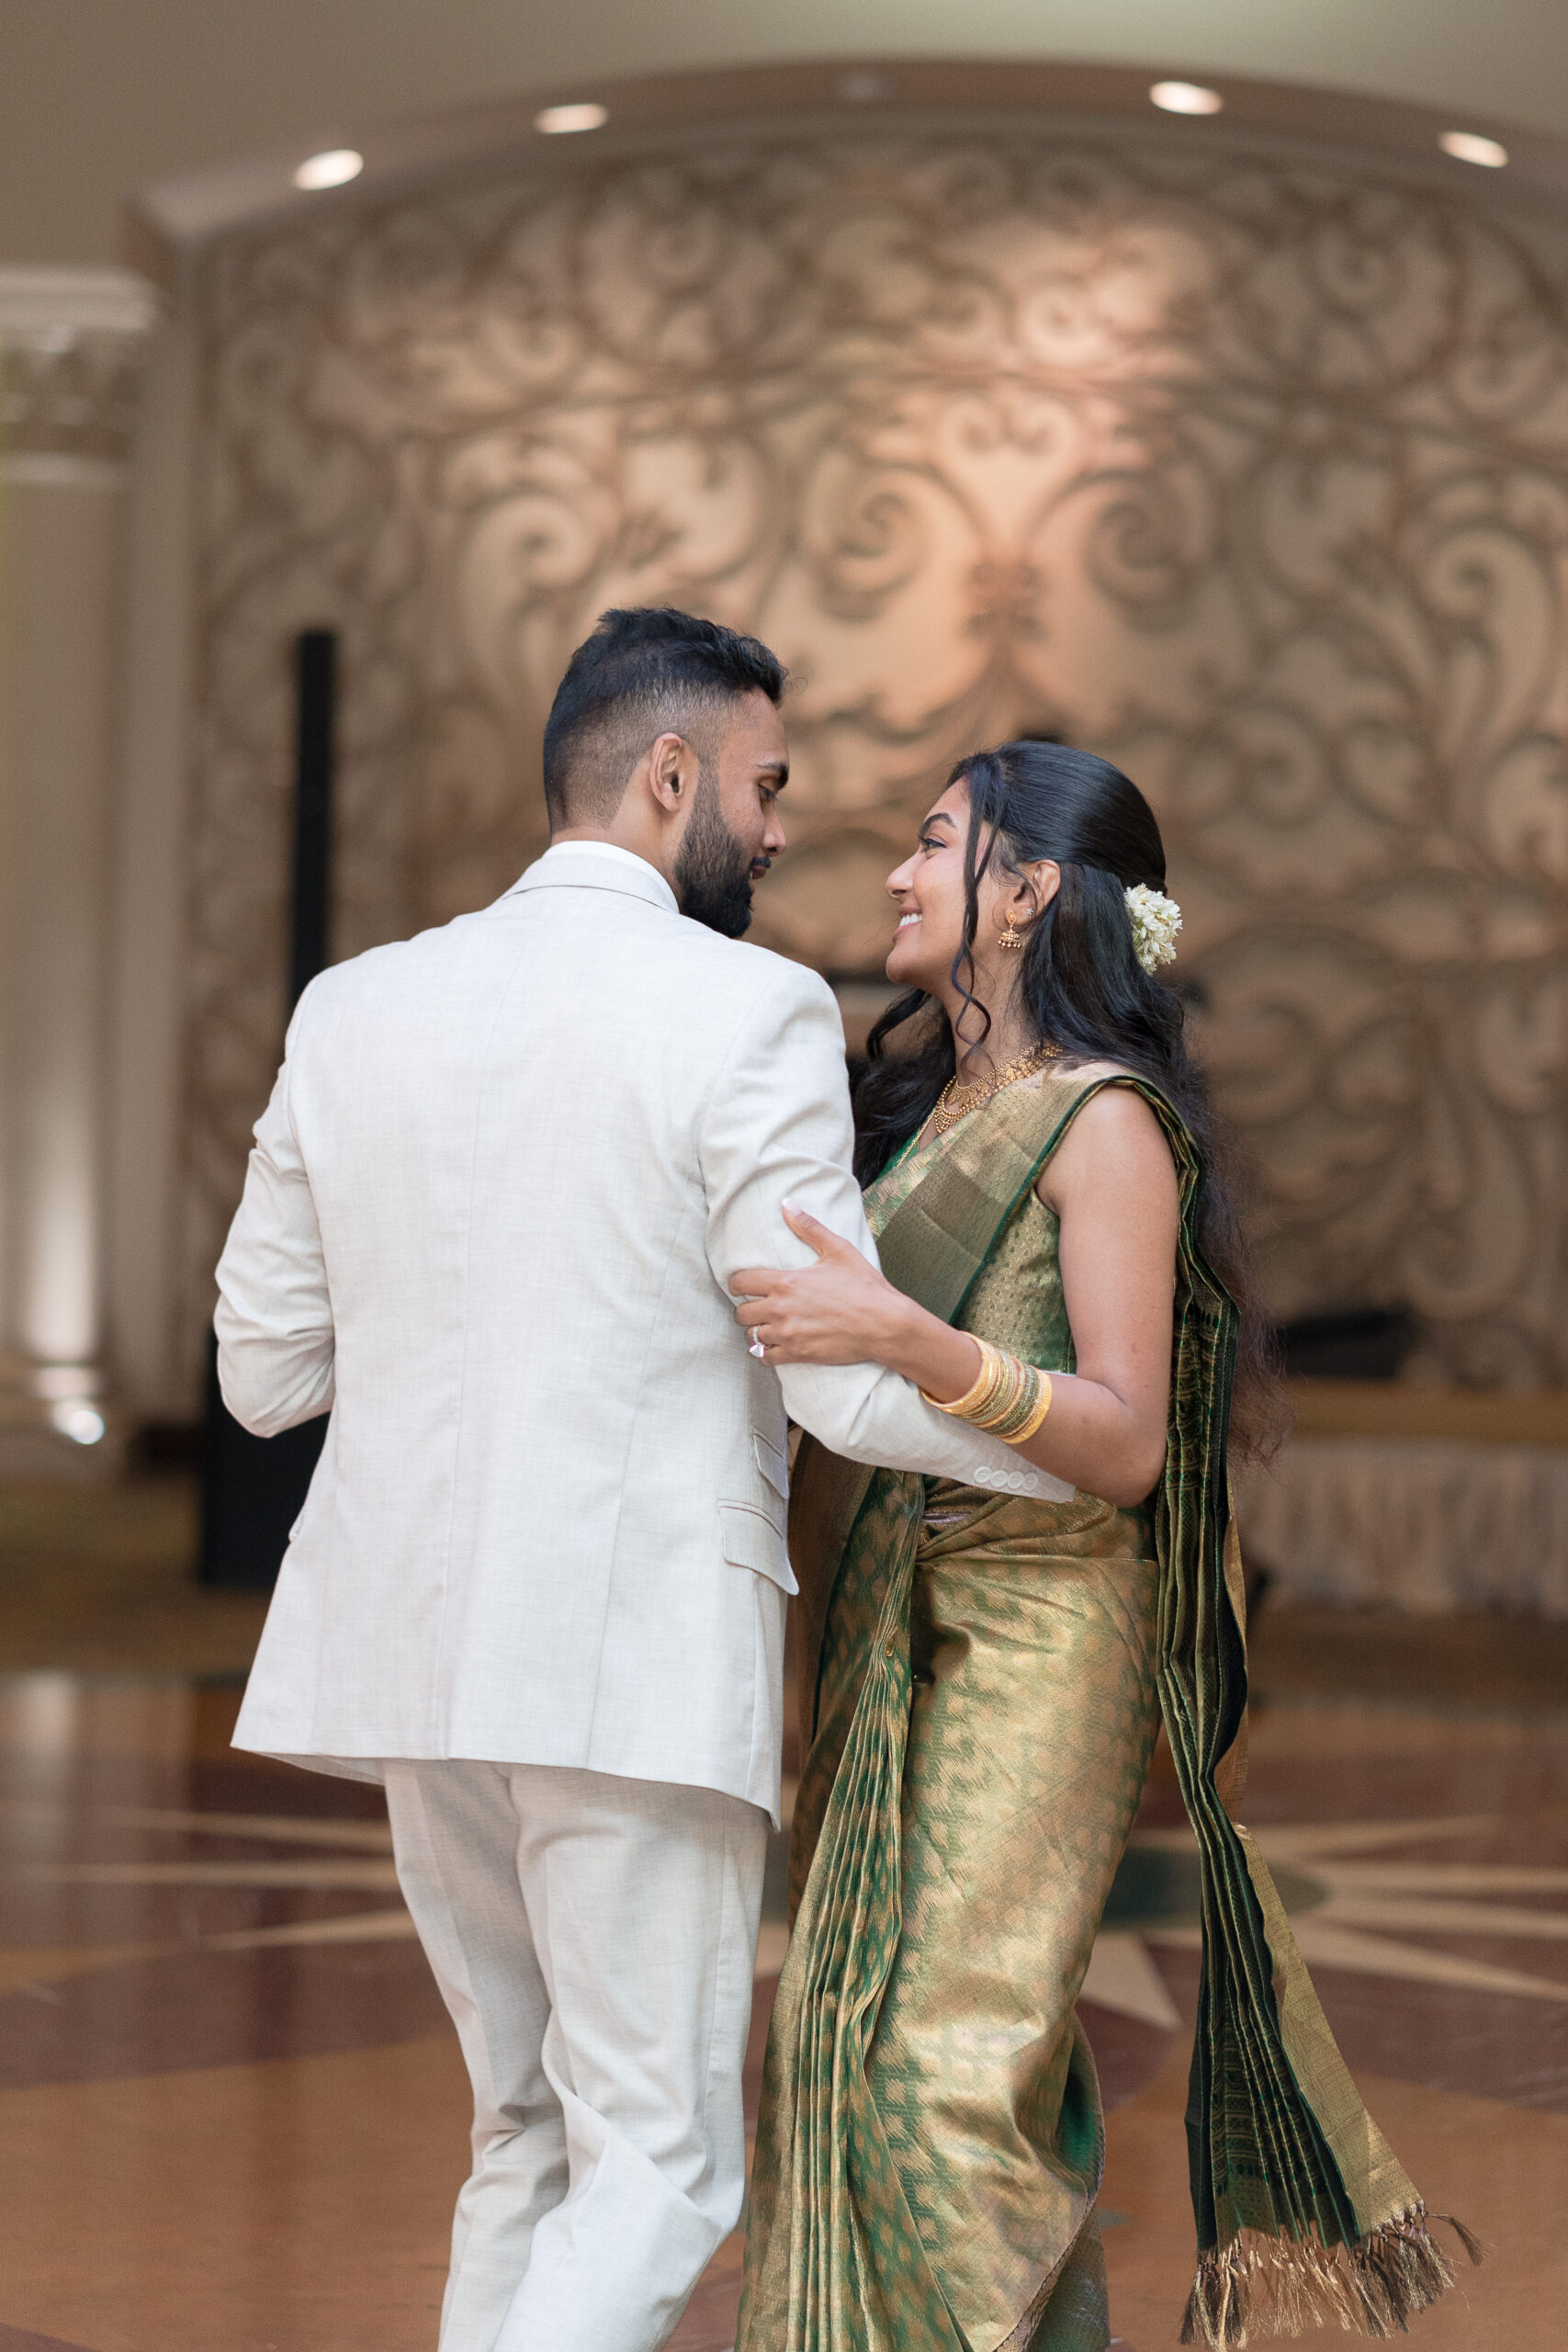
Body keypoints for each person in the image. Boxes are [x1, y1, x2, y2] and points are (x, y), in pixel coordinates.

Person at [214, 609, 1067, 2352]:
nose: (777, 830)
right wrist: (1075, 1458)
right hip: (632, 1652)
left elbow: (260, 1375)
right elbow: (832, 1379)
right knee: (663, 2165)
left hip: (411, 1652)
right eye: (765, 787)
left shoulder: (352, 1007)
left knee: (524, 2134)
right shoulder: (749, 1008)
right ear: (670, 774)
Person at [731, 741, 1476, 2351]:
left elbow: (1129, 1439)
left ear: (1027, 891)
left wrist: (906, 1338)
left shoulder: (1104, 1125)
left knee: (946, 2067)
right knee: (846, 2042)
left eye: (935, 842)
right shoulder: (926, 1112)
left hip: (1041, 1630)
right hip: (885, 1614)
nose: (898, 874)